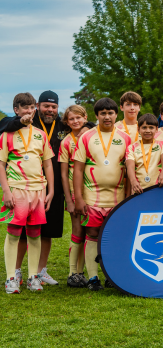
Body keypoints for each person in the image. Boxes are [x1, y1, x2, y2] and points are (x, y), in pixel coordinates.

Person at [0, 90, 75, 286]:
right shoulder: (17, 126)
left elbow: (81, 124)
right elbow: (4, 125)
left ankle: (38, 273)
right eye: (45, 106)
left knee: (44, 231)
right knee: (19, 232)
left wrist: (50, 190)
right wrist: (21, 120)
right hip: (20, 188)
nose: (49, 110)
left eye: (53, 106)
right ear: (38, 107)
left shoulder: (59, 127)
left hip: (49, 189)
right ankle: (14, 273)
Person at [73, 98, 132, 291]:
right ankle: (93, 278)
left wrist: (130, 197)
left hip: (118, 198)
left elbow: (130, 170)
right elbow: (78, 170)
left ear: (116, 114)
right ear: (97, 116)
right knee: (92, 234)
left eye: (110, 113)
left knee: (113, 236)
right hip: (92, 197)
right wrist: (79, 198)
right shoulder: (86, 137)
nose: (107, 117)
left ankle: (110, 275)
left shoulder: (126, 138)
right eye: (103, 113)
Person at [0, 93, 55, 293]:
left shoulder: (40, 134)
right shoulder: (6, 134)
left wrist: (50, 190)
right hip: (17, 188)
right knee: (14, 233)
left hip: (38, 190)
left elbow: (48, 163)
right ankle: (10, 278)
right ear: (16, 110)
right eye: (25, 108)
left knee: (35, 234)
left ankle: (33, 277)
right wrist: (6, 191)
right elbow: (1, 164)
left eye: (32, 108)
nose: (29, 112)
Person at [59, 105, 89, 288]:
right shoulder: (65, 142)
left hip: (92, 191)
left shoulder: (92, 137)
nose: (76, 121)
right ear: (66, 122)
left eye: (79, 117)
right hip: (74, 192)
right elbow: (63, 174)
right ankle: (72, 273)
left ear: (85, 118)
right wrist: (69, 200)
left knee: (89, 232)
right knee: (77, 231)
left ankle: (81, 271)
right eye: (72, 119)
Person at [126, 114, 163, 195]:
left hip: (158, 188)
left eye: (151, 127)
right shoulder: (131, 147)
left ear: (156, 129)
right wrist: (133, 181)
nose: (147, 131)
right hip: (138, 189)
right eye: (144, 127)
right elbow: (130, 166)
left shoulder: (162, 143)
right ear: (138, 129)